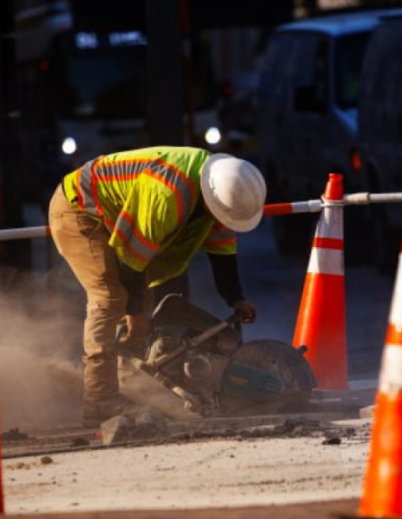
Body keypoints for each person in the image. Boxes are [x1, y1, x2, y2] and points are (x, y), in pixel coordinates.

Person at [48, 146, 266, 427]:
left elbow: (222, 252)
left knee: (140, 300)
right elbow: (131, 262)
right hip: (78, 209)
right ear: (212, 201)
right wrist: (135, 317)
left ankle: (128, 383)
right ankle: (100, 401)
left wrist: (235, 298)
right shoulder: (167, 195)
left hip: (110, 211)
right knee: (110, 297)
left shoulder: (221, 191)